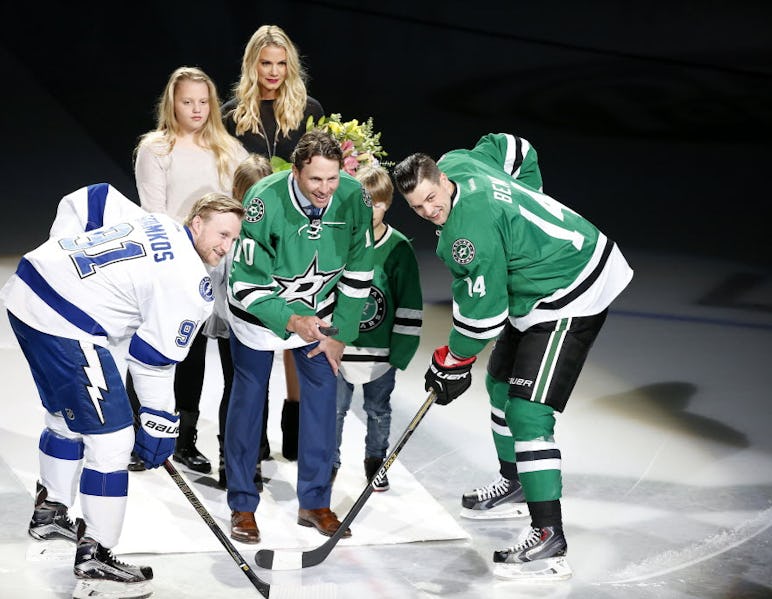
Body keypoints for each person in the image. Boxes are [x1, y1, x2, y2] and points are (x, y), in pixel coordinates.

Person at [393, 133, 633, 581]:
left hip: (571, 290)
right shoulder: (461, 162)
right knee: (500, 383)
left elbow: (484, 318)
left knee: (528, 414)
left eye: (431, 198)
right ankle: (517, 481)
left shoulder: (467, 236)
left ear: (442, 180)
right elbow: (515, 147)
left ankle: (549, 538)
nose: (429, 211)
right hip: (542, 286)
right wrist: (527, 213)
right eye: (417, 207)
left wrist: (451, 363)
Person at [0, 184, 244, 590]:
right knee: (113, 439)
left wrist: (65, 256)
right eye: (222, 234)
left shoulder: (158, 222)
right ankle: (96, 554)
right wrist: (160, 425)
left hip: (27, 293)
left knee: (65, 415)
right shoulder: (189, 283)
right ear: (196, 222)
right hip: (66, 324)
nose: (227, 246)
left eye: (234, 239)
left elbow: (93, 197)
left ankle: (50, 515)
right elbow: (152, 360)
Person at [225, 130, 373, 544]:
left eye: (332, 179)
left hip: (318, 316)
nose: (325, 190)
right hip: (259, 316)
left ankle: (315, 501)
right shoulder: (263, 200)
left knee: (324, 398)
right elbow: (244, 285)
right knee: (249, 401)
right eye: (315, 181)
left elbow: (361, 270)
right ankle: (242, 504)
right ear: (295, 171)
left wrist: (341, 332)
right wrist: (292, 320)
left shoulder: (354, 198)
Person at [133, 66, 248, 475]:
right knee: (178, 349)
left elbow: (241, 203)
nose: (196, 109)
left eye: (203, 102)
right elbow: (155, 213)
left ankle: (201, 440)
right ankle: (162, 435)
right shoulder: (156, 149)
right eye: (187, 102)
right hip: (176, 263)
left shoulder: (228, 149)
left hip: (222, 261)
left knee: (217, 351)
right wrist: (185, 250)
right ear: (173, 103)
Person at [222, 24, 326, 461]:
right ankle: (253, 437)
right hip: (250, 231)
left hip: (298, 235)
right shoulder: (231, 114)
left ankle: (295, 432)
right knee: (252, 336)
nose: (273, 71)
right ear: (252, 64)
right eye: (265, 63)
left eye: (281, 64)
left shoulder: (309, 108)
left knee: (297, 330)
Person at [332, 165, 423, 492]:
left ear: (389, 204)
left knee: (378, 410)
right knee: (335, 411)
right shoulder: (340, 239)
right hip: (340, 349)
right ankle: (330, 463)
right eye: (363, 202)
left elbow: (409, 300)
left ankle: (375, 462)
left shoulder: (398, 248)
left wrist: (401, 351)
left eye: (378, 203)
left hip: (380, 351)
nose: (370, 210)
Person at [206, 153, 273, 490]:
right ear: (237, 192)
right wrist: (229, 315)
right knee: (236, 389)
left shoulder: (274, 225)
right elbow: (217, 275)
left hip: (264, 323)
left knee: (260, 390)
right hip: (232, 322)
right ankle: (228, 459)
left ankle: (255, 457)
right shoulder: (228, 230)